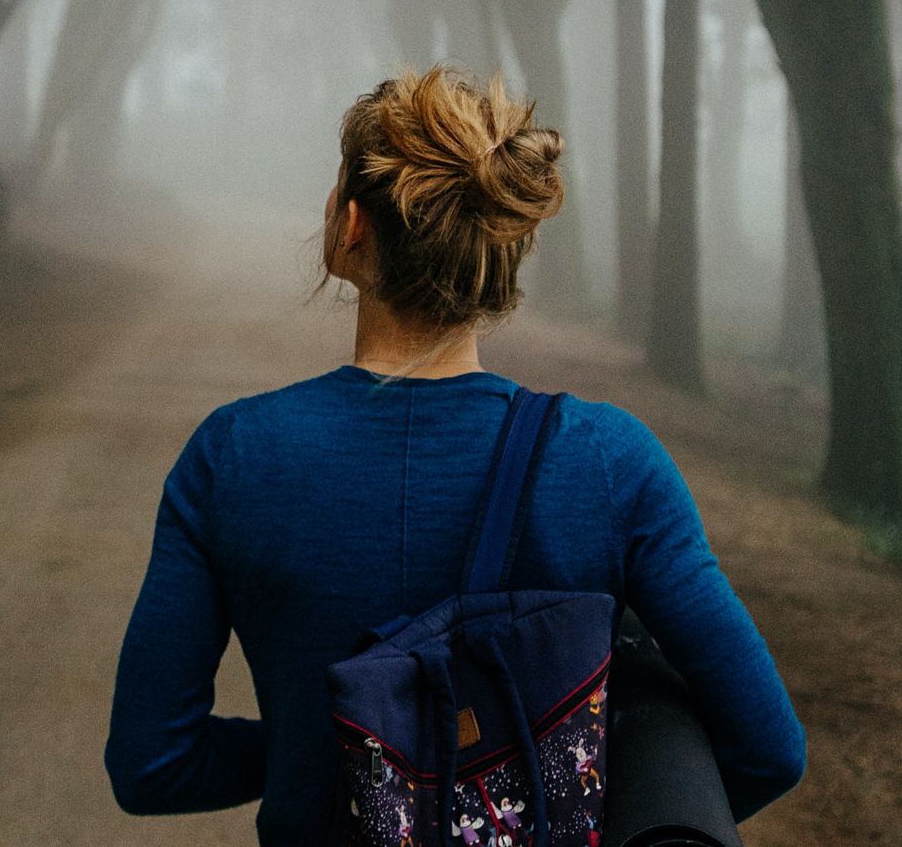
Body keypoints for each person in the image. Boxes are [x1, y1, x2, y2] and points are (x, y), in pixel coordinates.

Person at [104, 66, 806, 846]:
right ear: (502, 243)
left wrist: (341, 754)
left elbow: (151, 762)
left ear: (354, 226)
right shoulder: (610, 463)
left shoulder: (233, 459)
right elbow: (768, 748)